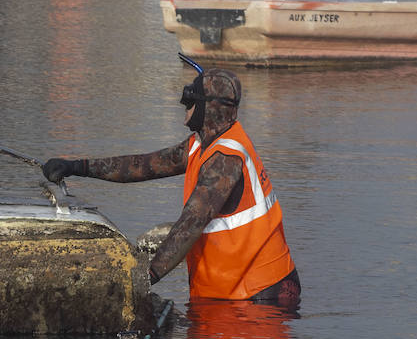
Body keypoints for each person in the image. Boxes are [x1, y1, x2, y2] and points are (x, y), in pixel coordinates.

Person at [42, 68, 300, 306]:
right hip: (233, 292)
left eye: (190, 101)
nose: (184, 106)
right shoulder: (201, 144)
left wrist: (144, 279)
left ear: (210, 108)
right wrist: (77, 167)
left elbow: (190, 224)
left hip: (260, 297)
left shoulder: (225, 159)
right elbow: (143, 165)